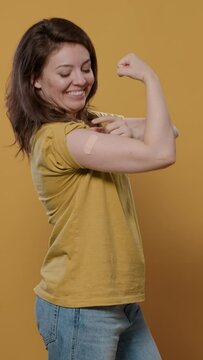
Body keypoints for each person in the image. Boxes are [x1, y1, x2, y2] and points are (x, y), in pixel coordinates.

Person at [6, 17, 178, 360]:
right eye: (65, 72)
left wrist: (128, 127)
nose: (80, 80)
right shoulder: (60, 138)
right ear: (35, 80)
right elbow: (161, 151)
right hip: (80, 308)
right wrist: (150, 79)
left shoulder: (86, 123)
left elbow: (168, 130)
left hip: (119, 301)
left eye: (86, 68)